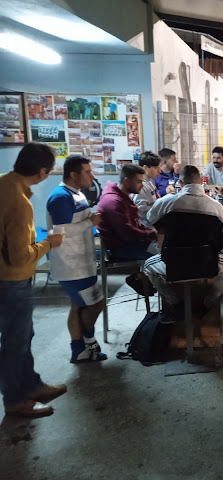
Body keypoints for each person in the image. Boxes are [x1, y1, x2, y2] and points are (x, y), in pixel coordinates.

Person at [0, 142, 67, 418]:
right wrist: (49, 244)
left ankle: (32, 386)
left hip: (7, 280)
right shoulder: (19, 202)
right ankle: (15, 400)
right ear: (41, 172)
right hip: (12, 281)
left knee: (23, 336)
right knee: (16, 342)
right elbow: (20, 257)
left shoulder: (4, 183)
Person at [143, 165, 223, 309]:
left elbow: (149, 220)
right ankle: (209, 301)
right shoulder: (216, 207)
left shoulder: (166, 202)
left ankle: (173, 301)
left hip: (172, 263)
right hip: (206, 264)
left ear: (180, 183)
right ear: (201, 182)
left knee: (148, 266)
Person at [47, 155, 107, 363]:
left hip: (83, 262)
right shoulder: (60, 197)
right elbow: (59, 232)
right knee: (96, 304)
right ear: (74, 174)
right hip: (72, 266)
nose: (92, 175)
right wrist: (90, 222)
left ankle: (79, 350)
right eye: (87, 172)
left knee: (78, 306)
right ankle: (88, 341)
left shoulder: (77, 194)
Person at [97, 164, 157, 260]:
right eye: (139, 182)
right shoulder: (114, 202)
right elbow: (127, 233)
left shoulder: (123, 196)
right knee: (164, 254)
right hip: (122, 248)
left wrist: (152, 232)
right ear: (126, 181)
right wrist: (152, 234)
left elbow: (135, 225)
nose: (142, 185)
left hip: (129, 243)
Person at [132, 151, 161, 228]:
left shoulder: (150, 182)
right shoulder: (140, 186)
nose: (159, 171)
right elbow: (140, 210)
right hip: (146, 227)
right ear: (145, 168)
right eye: (156, 168)